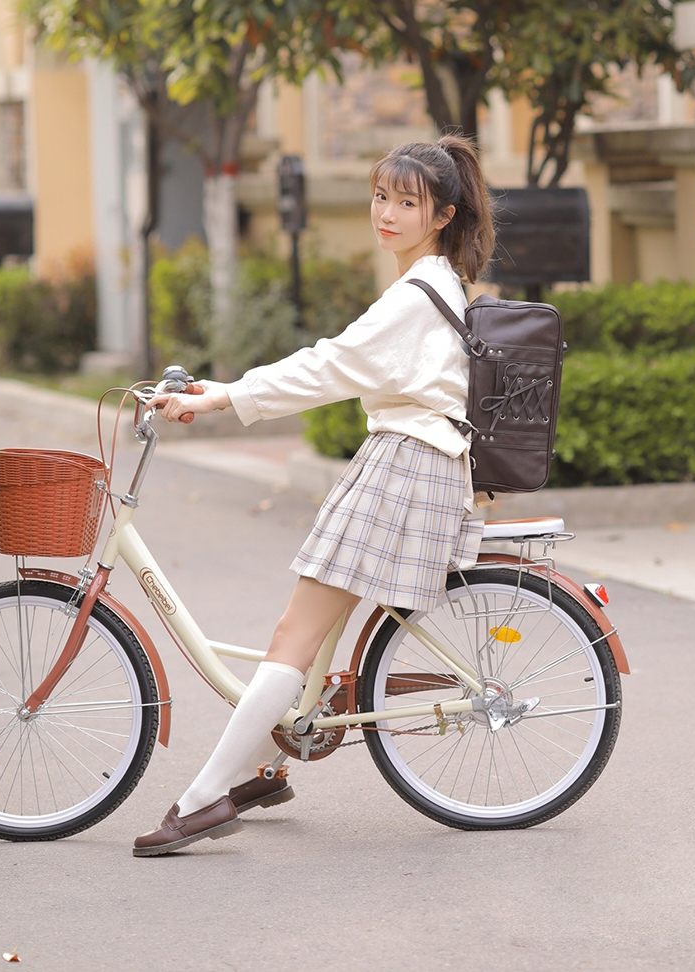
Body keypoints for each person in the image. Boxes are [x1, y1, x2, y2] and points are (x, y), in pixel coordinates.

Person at [132, 135, 495, 857]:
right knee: (306, 634)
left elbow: (329, 365)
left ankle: (202, 800)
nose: (386, 213)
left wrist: (225, 398)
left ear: (443, 215)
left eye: (407, 202)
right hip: (412, 461)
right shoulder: (436, 283)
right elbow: (339, 363)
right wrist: (228, 394)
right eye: (381, 196)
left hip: (406, 466)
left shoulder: (417, 295)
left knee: (292, 639)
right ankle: (266, 768)